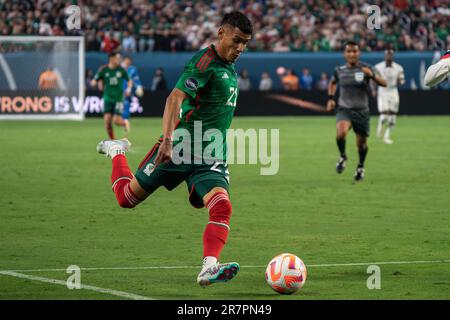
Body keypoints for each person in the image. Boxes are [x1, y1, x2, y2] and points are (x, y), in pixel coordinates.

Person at [96, 12, 253, 287]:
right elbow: (174, 98)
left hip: (211, 154)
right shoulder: (203, 62)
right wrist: (167, 141)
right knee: (126, 199)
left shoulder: (229, 67)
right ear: (221, 33)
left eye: (245, 43)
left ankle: (209, 267)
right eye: (237, 41)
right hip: (180, 147)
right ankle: (116, 150)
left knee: (222, 207)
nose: (240, 48)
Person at [326, 41, 387, 181]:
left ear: (359, 53)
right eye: (349, 51)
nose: (352, 54)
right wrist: (330, 98)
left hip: (361, 111)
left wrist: (371, 75)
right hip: (344, 109)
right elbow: (333, 82)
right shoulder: (339, 70)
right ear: (344, 54)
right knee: (340, 133)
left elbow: (384, 83)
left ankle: (360, 166)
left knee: (361, 144)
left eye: (354, 51)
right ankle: (343, 156)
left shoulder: (367, 68)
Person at [91, 51, 132, 140]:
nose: (119, 60)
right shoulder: (104, 69)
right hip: (107, 98)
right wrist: (97, 82)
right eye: (117, 58)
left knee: (116, 121)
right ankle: (113, 140)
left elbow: (129, 80)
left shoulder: (121, 70)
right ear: (111, 58)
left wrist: (128, 89)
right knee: (107, 122)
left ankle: (124, 123)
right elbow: (94, 81)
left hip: (118, 98)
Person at [374, 48, 405, 144]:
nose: (389, 56)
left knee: (393, 116)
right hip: (383, 91)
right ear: (384, 56)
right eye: (387, 54)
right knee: (384, 114)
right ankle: (380, 124)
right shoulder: (378, 67)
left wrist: (400, 81)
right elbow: (373, 79)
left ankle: (387, 136)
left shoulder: (399, 68)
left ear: (393, 56)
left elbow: (402, 80)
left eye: (390, 54)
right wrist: (373, 90)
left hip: (393, 91)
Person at [121, 56, 144, 136]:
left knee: (126, 107)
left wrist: (139, 87)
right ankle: (124, 123)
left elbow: (136, 79)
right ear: (123, 60)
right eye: (126, 60)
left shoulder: (133, 69)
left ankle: (125, 125)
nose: (128, 62)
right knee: (121, 109)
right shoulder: (119, 69)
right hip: (119, 91)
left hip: (128, 92)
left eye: (129, 61)